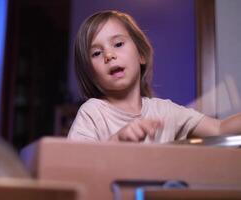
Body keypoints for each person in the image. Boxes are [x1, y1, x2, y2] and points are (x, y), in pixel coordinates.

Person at [67, 10, 241, 143]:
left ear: (141, 55)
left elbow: (219, 129)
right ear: (91, 74)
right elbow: (76, 164)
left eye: (118, 44)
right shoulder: (92, 112)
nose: (109, 55)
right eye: (97, 53)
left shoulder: (165, 111)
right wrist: (118, 140)